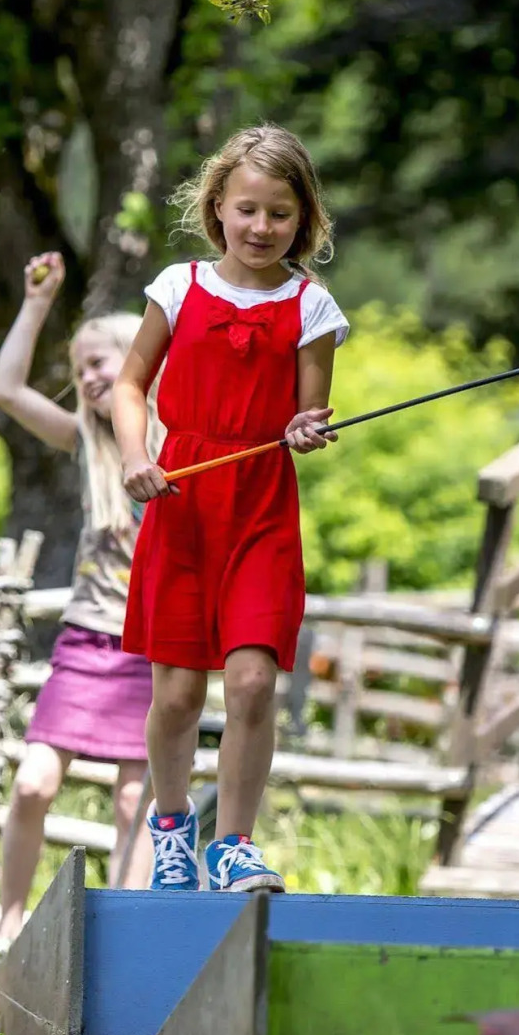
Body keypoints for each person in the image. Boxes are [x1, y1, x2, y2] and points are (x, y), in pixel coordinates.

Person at [113, 123, 349, 893]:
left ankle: (235, 844)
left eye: (279, 213)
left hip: (261, 507)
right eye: (246, 209)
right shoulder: (178, 287)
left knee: (252, 682)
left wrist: (305, 429)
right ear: (217, 206)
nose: (260, 228)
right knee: (178, 693)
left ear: (303, 219)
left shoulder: (312, 305)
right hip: (181, 496)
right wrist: (135, 457)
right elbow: (128, 385)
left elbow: (309, 413)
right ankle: (173, 826)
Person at [0, 252, 168, 941]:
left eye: (102, 363)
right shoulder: (87, 439)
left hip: (150, 647)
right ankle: (5, 924)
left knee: (133, 802)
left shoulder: (178, 441)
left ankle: (123, 933)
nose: (89, 377)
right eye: (81, 367)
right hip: (87, 640)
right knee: (32, 782)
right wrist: (36, 304)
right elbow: (5, 390)